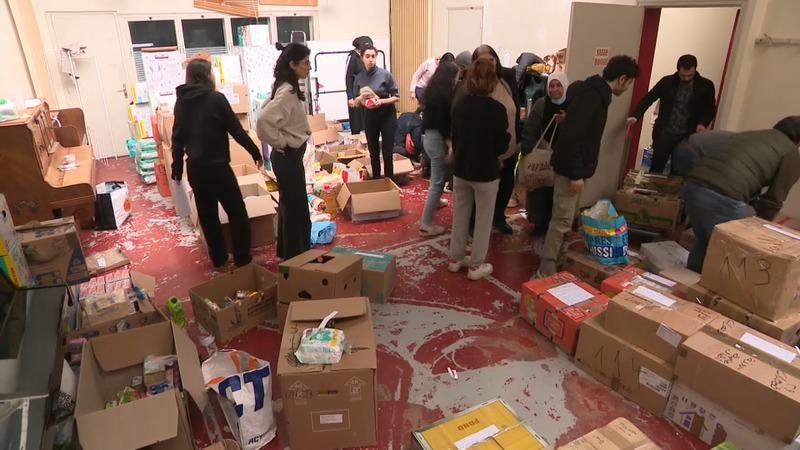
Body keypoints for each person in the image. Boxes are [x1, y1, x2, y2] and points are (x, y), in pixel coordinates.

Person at [536, 55, 640, 278]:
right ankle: (546, 272)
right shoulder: (593, 97)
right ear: (622, 79)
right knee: (561, 220)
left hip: (575, 168)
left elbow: (574, 126)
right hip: (570, 170)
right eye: (630, 82)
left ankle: (557, 262)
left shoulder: (589, 91)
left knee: (567, 217)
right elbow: (573, 137)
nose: (628, 87)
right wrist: (575, 174)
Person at [171, 58, 262, 269]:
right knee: (238, 213)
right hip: (218, 168)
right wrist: (255, 151)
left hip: (195, 168)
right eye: (212, 72)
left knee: (207, 216)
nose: (214, 76)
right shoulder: (216, 99)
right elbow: (236, 130)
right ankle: (242, 259)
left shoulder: (181, 102)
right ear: (206, 76)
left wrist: (177, 168)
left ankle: (219, 260)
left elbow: (177, 138)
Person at [683, 116, 800, 272]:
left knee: (704, 241)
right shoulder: (791, 153)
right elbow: (774, 199)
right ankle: (711, 291)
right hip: (724, 196)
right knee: (730, 256)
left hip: (693, 185)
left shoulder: (752, 135)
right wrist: (757, 229)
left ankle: (689, 287)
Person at [449, 58, 511, 280]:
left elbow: (455, 139)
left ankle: (455, 259)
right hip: (486, 173)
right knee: (484, 220)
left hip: (462, 169)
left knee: (460, 216)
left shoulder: (460, 106)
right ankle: (476, 266)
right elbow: (501, 146)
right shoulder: (497, 110)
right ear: (493, 81)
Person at [257, 43, 312, 260]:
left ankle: (289, 253)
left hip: (287, 157)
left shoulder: (286, 86)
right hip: (287, 156)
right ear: (293, 64)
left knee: (291, 206)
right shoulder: (288, 91)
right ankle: (297, 256)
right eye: (305, 63)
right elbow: (263, 120)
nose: (309, 67)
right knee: (297, 210)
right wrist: (282, 142)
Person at [463, 45, 520, 235]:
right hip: (485, 152)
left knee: (506, 186)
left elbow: (516, 110)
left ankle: (499, 217)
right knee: (479, 194)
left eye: (492, 60)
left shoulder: (506, 81)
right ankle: (474, 224)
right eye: (483, 61)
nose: (489, 64)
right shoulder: (471, 88)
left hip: (509, 145)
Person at [627, 54, 716, 174]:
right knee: (656, 170)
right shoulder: (667, 82)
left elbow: (710, 108)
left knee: (679, 171)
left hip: (687, 136)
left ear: (695, 69)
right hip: (664, 133)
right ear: (678, 70)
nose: (686, 78)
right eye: (683, 75)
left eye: (689, 75)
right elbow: (648, 99)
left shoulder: (706, 85)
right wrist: (635, 116)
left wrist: (703, 123)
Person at [519, 72, 569, 238]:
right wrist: (527, 153)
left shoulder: (571, 106)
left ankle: (555, 227)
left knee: (559, 195)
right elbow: (530, 129)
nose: (555, 89)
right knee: (541, 192)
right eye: (552, 86)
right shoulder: (542, 104)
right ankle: (540, 225)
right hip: (543, 157)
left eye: (559, 85)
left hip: (563, 158)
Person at [419, 59, 460, 236]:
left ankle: (435, 203)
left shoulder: (431, 91)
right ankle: (426, 224)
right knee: (437, 182)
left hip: (428, 137)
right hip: (437, 139)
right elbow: (443, 125)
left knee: (437, 179)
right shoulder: (444, 96)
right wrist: (450, 144)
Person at [349, 44, 401, 180]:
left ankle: (389, 181)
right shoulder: (359, 78)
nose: (371, 59)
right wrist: (360, 98)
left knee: (387, 152)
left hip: (387, 115)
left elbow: (397, 97)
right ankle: (377, 180)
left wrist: (381, 101)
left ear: (376, 57)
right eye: (367, 56)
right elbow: (354, 102)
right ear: (362, 58)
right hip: (370, 116)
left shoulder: (385, 74)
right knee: (373, 151)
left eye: (373, 56)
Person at [345, 36, 372, 134]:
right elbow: (348, 78)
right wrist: (350, 97)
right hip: (355, 93)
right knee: (356, 122)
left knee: (369, 122)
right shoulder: (353, 58)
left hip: (367, 92)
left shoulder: (367, 58)